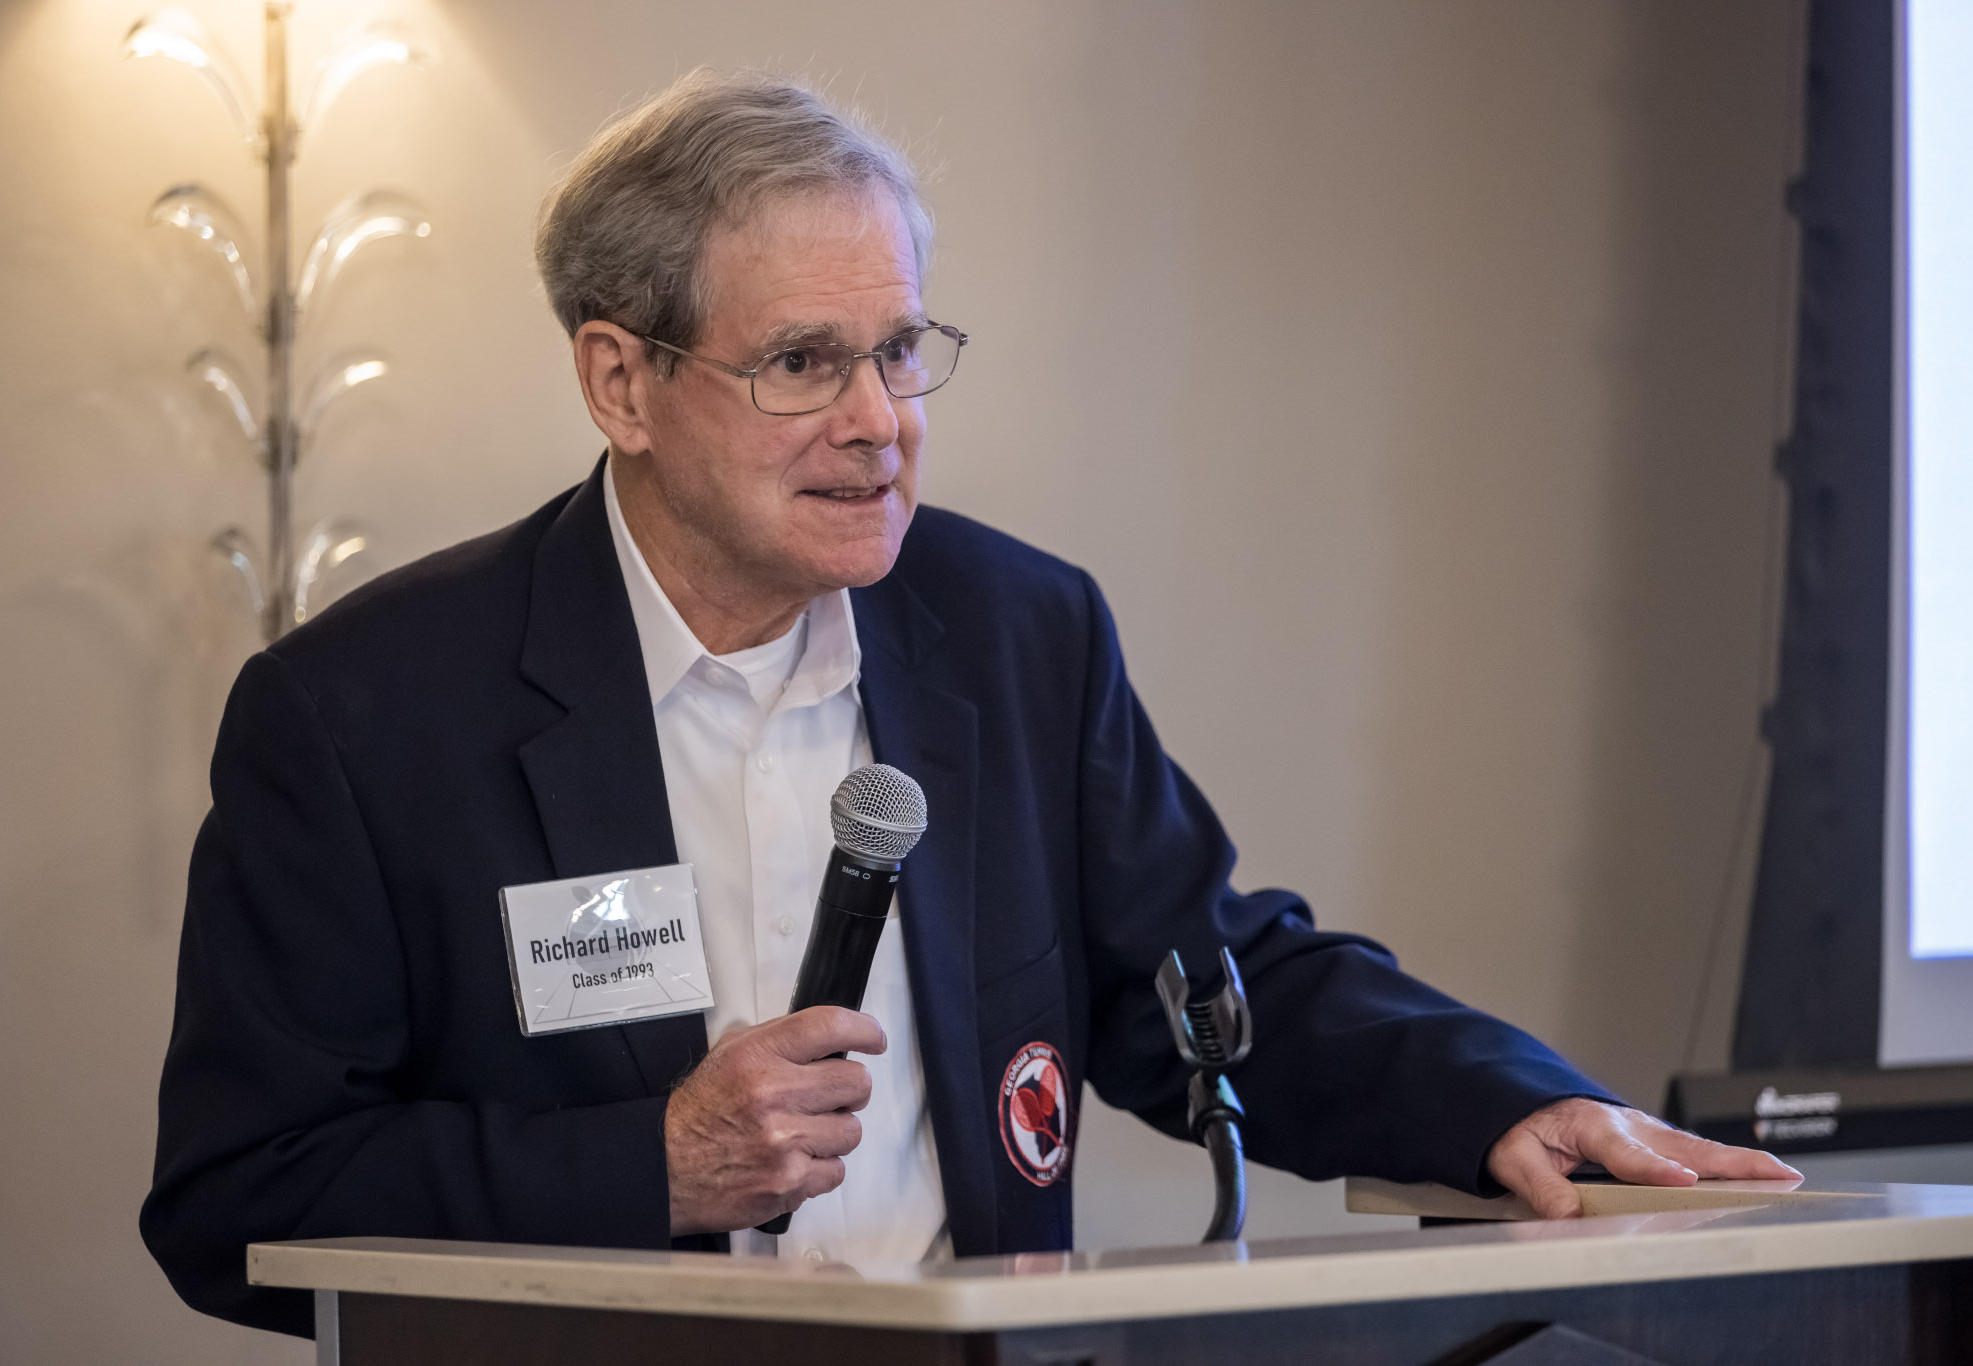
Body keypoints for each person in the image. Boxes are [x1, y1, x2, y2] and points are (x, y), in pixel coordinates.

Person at [140, 69, 1796, 1338]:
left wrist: (1509, 1098)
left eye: (902, 348)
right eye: (803, 362)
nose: (881, 421)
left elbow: (1210, 981)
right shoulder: (363, 718)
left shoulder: (1014, 632)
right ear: (620, 380)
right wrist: (650, 1164)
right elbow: (239, 1197)